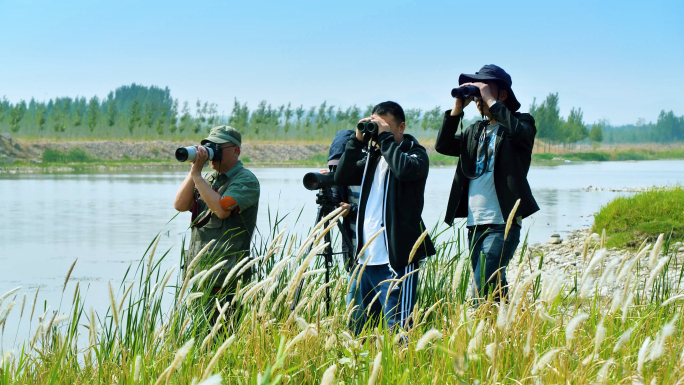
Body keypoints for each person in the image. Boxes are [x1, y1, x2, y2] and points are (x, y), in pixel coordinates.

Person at [435, 64, 539, 301]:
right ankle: (504, 330)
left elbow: (518, 132)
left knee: (480, 289)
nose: (479, 99)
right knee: (493, 288)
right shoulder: (475, 130)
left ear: (501, 95)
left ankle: (491, 327)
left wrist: (490, 100)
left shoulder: (521, 123)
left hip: (503, 221)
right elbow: (443, 145)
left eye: (484, 91)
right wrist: (458, 107)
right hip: (475, 223)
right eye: (477, 94)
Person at [335, 101, 436, 331]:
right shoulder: (373, 157)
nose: (379, 132)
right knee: (358, 331)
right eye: (375, 125)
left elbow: (402, 170)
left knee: (399, 331)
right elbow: (343, 175)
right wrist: (357, 139)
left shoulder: (415, 155)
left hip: (397, 261)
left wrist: (385, 138)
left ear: (401, 127)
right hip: (365, 260)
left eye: (385, 126)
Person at [174, 125, 260, 321]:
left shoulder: (245, 180)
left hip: (226, 279)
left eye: (219, 147)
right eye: (211, 146)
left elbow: (221, 210)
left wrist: (197, 176)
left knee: (222, 335)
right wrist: (194, 171)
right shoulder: (209, 179)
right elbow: (180, 205)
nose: (214, 152)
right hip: (200, 274)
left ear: (236, 150)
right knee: (200, 339)